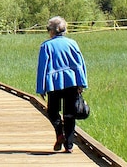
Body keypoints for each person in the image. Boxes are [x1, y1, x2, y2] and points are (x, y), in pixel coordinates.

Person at [36, 16, 88, 153]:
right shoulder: (73, 43)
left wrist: (41, 88)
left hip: (54, 84)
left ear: (52, 31)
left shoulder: (46, 46)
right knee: (70, 114)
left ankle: (60, 133)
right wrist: (82, 83)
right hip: (72, 82)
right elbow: (80, 64)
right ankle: (69, 145)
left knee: (53, 111)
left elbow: (42, 68)